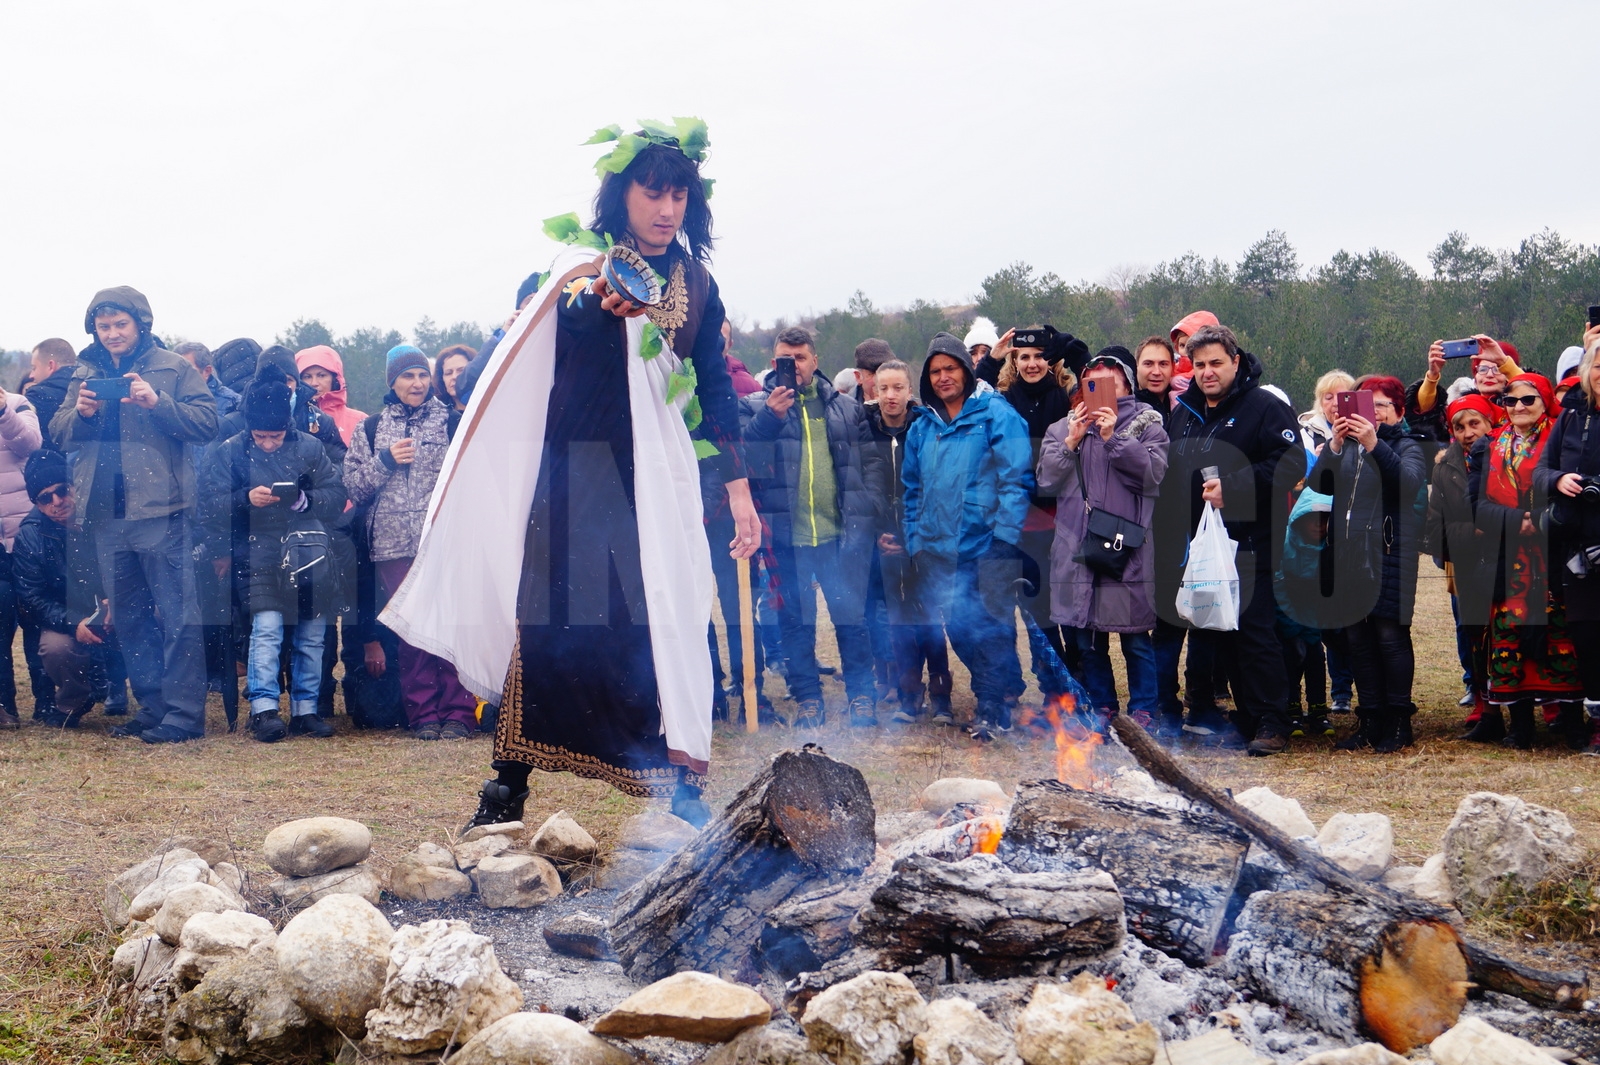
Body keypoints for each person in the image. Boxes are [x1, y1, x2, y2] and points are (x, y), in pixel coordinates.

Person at [390, 123, 758, 832]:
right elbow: (571, 318)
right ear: (622, 193)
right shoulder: (578, 267)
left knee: (670, 616)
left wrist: (738, 488)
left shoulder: (698, 283)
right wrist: (598, 302)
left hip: (661, 476)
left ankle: (679, 788)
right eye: (653, 191)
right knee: (557, 618)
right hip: (581, 472)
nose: (666, 207)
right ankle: (507, 785)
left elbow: (714, 385)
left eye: (678, 193)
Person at [49, 286, 218, 743]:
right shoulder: (83, 370)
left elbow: (208, 423)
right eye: (103, 326)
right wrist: (81, 413)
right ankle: (153, 708)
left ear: (141, 323)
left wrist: (156, 402)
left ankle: (183, 717)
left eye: (120, 324)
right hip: (105, 515)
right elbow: (59, 432)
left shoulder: (173, 367)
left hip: (162, 512)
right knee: (130, 619)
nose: (112, 334)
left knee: (178, 616)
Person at [1152, 324, 1299, 755]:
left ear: (1236, 361)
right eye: (1199, 365)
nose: (1207, 372)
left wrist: (1235, 485)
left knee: (1254, 630)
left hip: (1251, 539)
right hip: (1198, 544)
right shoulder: (1185, 411)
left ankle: (1274, 720)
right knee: (1220, 631)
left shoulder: (1264, 406)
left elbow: (1290, 464)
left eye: (1216, 363)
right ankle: (1248, 718)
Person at [740, 327, 883, 727]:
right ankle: (807, 700)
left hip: (839, 536)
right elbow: (745, 460)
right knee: (795, 624)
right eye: (786, 359)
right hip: (787, 539)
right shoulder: (753, 407)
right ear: (774, 363)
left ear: (815, 360)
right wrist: (772, 416)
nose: (795, 366)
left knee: (850, 619)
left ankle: (861, 698)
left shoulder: (844, 408)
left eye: (801, 358)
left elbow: (870, 462)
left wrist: (866, 508)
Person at [902, 332, 1032, 740]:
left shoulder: (995, 413)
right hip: (938, 550)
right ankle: (1004, 691)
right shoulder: (923, 426)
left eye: (951, 368)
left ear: (966, 369)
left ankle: (992, 710)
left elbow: (1016, 480)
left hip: (986, 545)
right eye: (936, 371)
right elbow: (911, 490)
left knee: (991, 628)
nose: (943, 377)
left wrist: (1004, 540)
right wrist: (915, 542)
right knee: (959, 630)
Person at [205, 372, 347, 741]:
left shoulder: (311, 448)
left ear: (288, 427)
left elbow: (336, 495)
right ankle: (264, 709)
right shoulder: (231, 450)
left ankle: (306, 710)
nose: (268, 444)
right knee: (266, 631)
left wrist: (305, 501)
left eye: (276, 436)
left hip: (309, 551)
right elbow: (207, 508)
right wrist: (243, 499)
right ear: (249, 428)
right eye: (260, 437)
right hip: (257, 552)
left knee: (312, 634)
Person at [343, 346, 476, 740]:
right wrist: (385, 460)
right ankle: (423, 715)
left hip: (444, 542)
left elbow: (471, 481)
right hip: (392, 546)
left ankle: (459, 713)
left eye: (422, 375)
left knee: (450, 628)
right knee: (413, 632)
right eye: (407, 376)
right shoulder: (369, 428)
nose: (416, 383)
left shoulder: (452, 423)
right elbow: (353, 487)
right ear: (392, 382)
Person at [1036, 348, 1168, 723]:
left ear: (1127, 385)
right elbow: (1046, 481)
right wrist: (1071, 443)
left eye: (1113, 381)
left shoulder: (1148, 426)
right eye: (1093, 382)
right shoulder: (1063, 428)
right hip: (1075, 548)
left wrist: (1114, 438)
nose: (1101, 389)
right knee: (1086, 639)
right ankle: (1103, 706)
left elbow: (1151, 477)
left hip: (1125, 550)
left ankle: (1143, 709)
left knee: (1135, 637)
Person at [1305, 376, 1428, 752]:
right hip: (1348, 555)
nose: (1371, 414)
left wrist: (1375, 444)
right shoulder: (1348, 448)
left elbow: (1408, 485)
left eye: (1380, 406)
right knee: (1357, 639)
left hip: (1389, 553)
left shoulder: (1407, 445)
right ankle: (1370, 719)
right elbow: (1318, 486)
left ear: (1398, 412)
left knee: (1389, 637)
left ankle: (1398, 723)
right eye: (1364, 405)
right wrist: (1336, 446)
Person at [1469, 373, 1584, 748]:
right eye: (1510, 400)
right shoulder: (1490, 446)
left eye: (1528, 400)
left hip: (1555, 552)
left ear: (1545, 401)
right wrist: (1517, 521)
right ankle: (1520, 726)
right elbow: (1476, 505)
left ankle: (1570, 722)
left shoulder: (1563, 439)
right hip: (1507, 554)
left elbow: (1574, 490)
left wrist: (1543, 521)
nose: (1518, 407)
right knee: (1508, 638)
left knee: (1560, 637)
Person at [993, 326, 1083, 705]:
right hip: (1020, 519)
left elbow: (1081, 353)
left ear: (1051, 361)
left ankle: (1076, 682)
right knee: (1036, 609)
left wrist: (1053, 338)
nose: (1032, 363)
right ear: (1014, 361)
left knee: (1068, 607)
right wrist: (989, 360)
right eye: (1023, 357)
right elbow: (970, 394)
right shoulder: (1002, 400)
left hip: (1059, 515)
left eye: (1039, 356)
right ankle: (1051, 686)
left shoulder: (1065, 397)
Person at [864, 359, 952, 724]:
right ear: (874, 392)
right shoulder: (866, 431)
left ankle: (942, 697)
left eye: (897, 387)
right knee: (899, 620)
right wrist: (878, 533)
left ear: (909, 391)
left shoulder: (927, 426)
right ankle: (908, 696)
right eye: (883, 388)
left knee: (930, 617)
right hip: (886, 539)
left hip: (924, 539)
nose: (890, 395)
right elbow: (861, 485)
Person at [1535, 325, 1600, 753]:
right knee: (1588, 637)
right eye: (1599, 366)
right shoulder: (1573, 418)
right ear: (1588, 370)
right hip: (1578, 550)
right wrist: (1560, 480)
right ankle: (1598, 724)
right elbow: (1540, 471)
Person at [13, 451, 105, 729]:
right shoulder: (29, 536)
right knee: (55, 647)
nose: (56, 501)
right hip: (64, 618)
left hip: (112, 607)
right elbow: (31, 598)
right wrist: (74, 622)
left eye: (62, 490)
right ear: (36, 504)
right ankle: (71, 703)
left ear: (73, 486)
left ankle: (154, 704)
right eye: (45, 497)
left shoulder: (99, 517)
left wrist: (114, 598)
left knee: (157, 617)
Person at [1427, 393, 1497, 738]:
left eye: (1475, 423)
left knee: (1512, 632)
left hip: (1510, 559)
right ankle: (1485, 706)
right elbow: (1434, 527)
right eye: (1460, 426)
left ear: (1490, 423)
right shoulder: (1445, 468)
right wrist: (1472, 530)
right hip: (1468, 561)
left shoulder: (1506, 457)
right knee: (1476, 635)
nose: (1468, 432)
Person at [296, 345, 368, 445]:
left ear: (335, 379)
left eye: (321, 375)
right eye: (307, 377)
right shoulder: (289, 421)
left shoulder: (360, 421)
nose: (314, 383)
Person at [27, 339, 78, 451]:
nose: (31, 375)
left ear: (51, 366)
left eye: (34, 368)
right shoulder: (87, 389)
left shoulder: (38, 395)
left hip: (45, 466)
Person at [173, 342, 241, 419]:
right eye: (175, 370)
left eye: (186, 371)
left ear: (207, 371)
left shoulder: (234, 404)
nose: (179, 376)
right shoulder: (165, 400)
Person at [1133, 336, 1175, 414]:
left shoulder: (1185, 406)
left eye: (1163, 364)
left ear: (1173, 367)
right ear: (1136, 366)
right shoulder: (1126, 411)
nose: (1156, 372)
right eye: (1148, 364)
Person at [434, 344, 475, 412]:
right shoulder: (437, 416)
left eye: (461, 370)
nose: (454, 377)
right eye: (448, 373)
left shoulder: (489, 405)